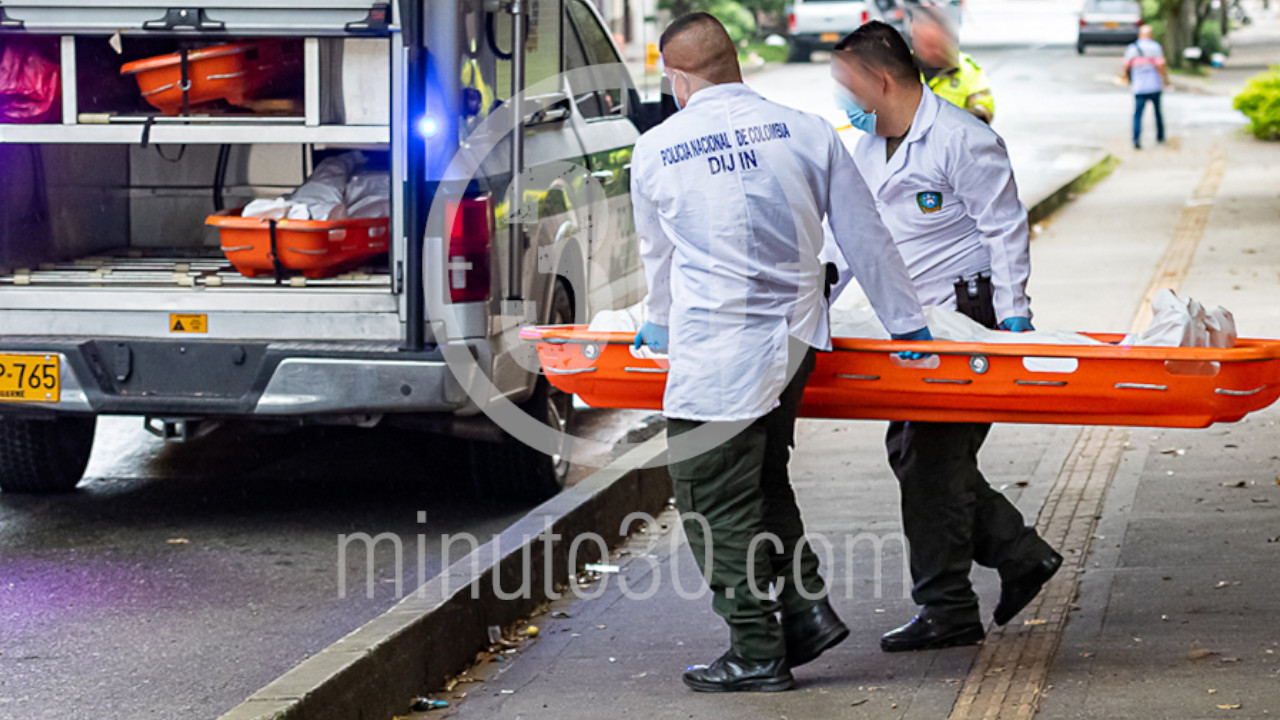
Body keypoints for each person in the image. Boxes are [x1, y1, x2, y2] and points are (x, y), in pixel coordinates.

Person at [631, 13, 929, 691]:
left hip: (718, 352)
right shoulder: (807, 130)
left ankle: (755, 648)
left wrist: (657, 325)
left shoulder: (658, 149)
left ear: (677, 77)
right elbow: (863, 234)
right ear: (734, 61)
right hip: (795, 340)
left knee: (712, 500)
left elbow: (661, 261)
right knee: (762, 480)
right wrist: (907, 325)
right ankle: (805, 612)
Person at [828, 21, 1063, 653]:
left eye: (845, 85)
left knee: (929, 461)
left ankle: (951, 607)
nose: (840, 100)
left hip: (970, 321)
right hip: (913, 325)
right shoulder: (868, 148)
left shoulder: (961, 138)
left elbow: (1006, 228)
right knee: (919, 455)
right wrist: (811, 302)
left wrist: (1014, 318)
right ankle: (1018, 556)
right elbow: (850, 238)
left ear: (880, 79)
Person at [910, 5, 994, 124]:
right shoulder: (900, 66)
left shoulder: (968, 70)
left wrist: (948, 121)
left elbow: (985, 110)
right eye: (923, 42)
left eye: (933, 44)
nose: (928, 50)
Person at [1125, 25, 1170, 149]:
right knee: (1158, 113)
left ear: (1140, 35)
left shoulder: (1132, 48)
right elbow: (1161, 66)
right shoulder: (1156, 47)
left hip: (1139, 87)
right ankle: (1160, 137)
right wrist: (1166, 81)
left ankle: (1136, 139)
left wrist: (1128, 79)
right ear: (1151, 35)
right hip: (1154, 85)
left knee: (1138, 114)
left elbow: (1126, 67)